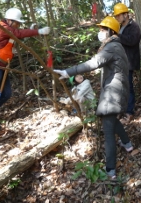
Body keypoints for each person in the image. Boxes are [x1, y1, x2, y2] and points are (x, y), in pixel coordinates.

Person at [54, 16, 133, 180]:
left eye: (103, 29)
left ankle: (110, 170)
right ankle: (127, 144)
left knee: (108, 131)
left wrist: (69, 72)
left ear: (111, 31)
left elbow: (93, 63)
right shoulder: (116, 46)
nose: (100, 32)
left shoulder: (112, 47)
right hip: (116, 91)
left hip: (113, 93)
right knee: (111, 120)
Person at [0, 8, 51, 130]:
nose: (18, 25)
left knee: (6, 94)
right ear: (9, 21)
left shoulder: (8, 29)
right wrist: (38, 31)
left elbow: (17, 35)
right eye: (17, 23)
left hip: (2, 67)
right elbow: (18, 34)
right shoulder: (2, 28)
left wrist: (31, 30)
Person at [113, 3, 141, 124]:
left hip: (128, 62)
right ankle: (121, 110)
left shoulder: (134, 26)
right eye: (116, 16)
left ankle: (129, 112)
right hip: (119, 62)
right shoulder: (119, 27)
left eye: (119, 15)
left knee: (128, 88)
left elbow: (133, 41)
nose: (117, 18)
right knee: (120, 88)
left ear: (126, 14)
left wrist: (117, 36)